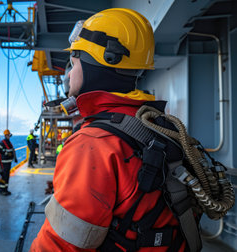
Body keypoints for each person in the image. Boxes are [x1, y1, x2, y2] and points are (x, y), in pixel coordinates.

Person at [31, 8, 193, 251]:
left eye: (74, 63)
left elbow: (60, 245)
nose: (70, 74)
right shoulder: (158, 125)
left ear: (97, 63)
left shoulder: (93, 144)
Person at [0, 129, 18, 196]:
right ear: (6, 135)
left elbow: (12, 150)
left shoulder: (9, 142)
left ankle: (5, 189)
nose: (9, 136)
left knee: (6, 176)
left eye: (10, 135)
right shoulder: (2, 143)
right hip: (4, 163)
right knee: (4, 176)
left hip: (8, 162)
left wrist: (15, 158)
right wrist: (6, 153)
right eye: (8, 135)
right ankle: (2, 190)